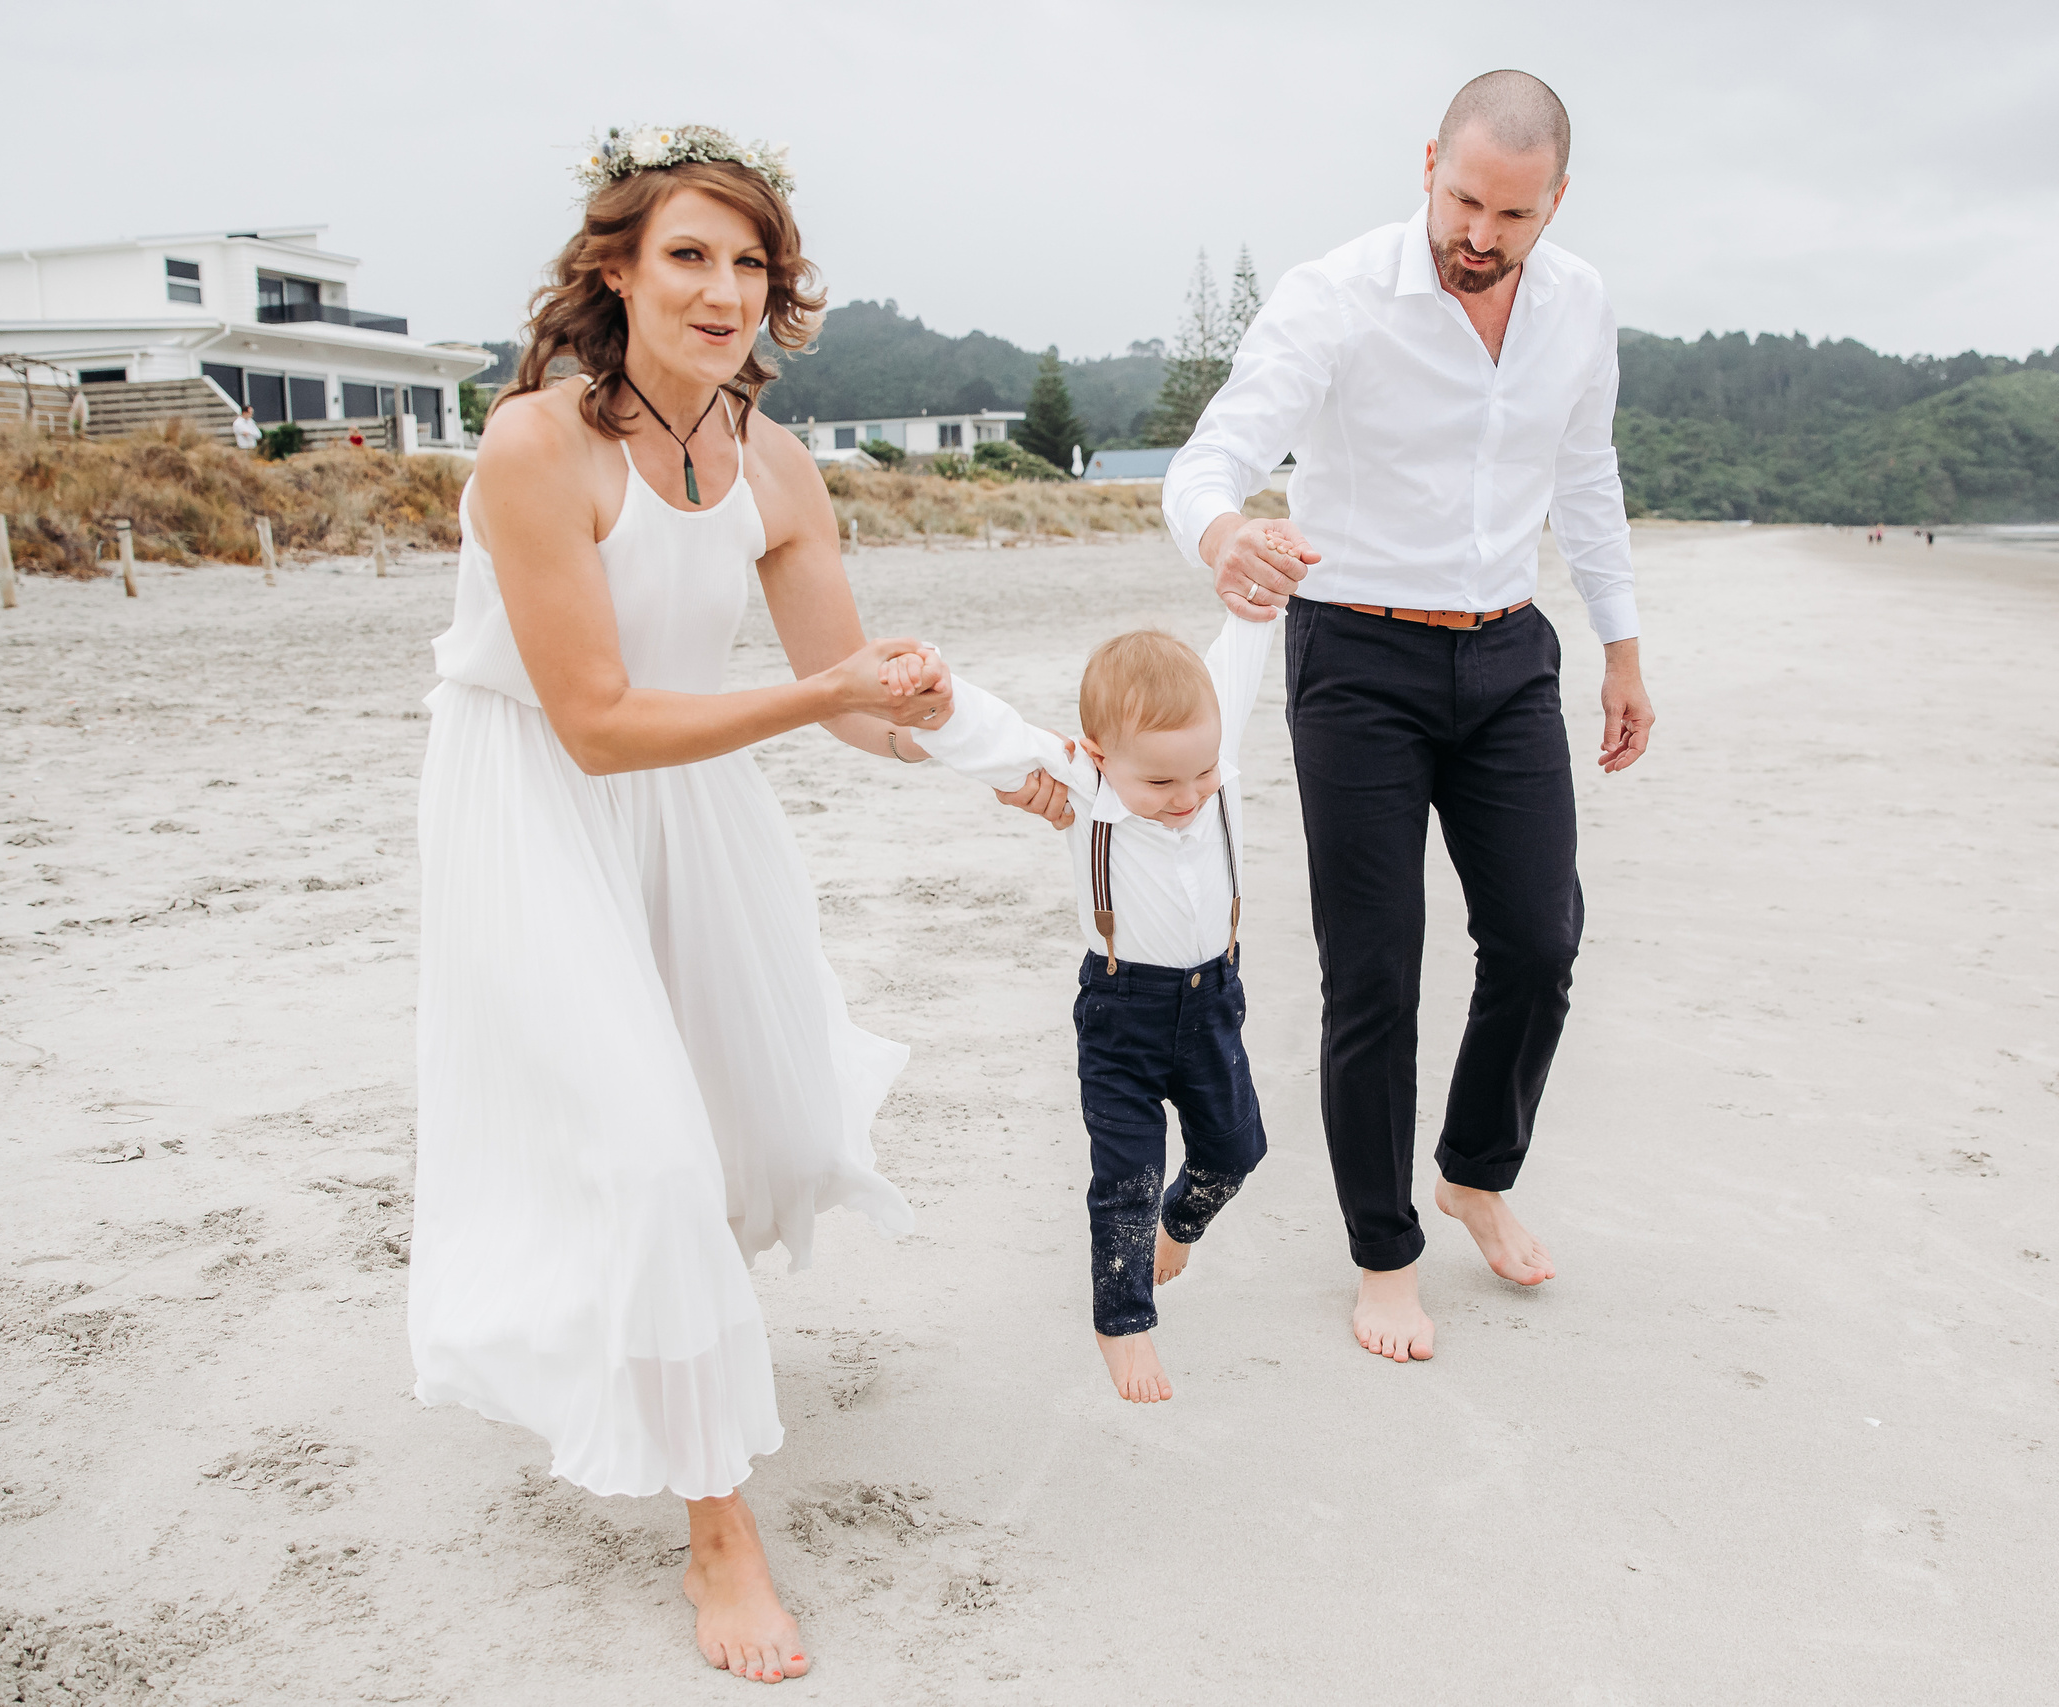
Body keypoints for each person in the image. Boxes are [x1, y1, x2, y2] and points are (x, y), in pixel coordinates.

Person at [410, 123, 952, 1687]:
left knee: (767, 1135)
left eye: (750, 263)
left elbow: (855, 702)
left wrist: (1005, 753)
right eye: (690, 257)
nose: (724, 289)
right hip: (535, 791)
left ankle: (663, 1312)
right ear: (618, 272)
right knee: (650, 1151)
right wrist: (824, 694)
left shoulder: (776, 464)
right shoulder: (535, 446)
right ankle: (720, 1523)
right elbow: (592, 716)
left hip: (693, 786)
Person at [1161, 70, 1655, 1363]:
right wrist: (1222, 532)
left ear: (1557, 203)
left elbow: (1588, 479)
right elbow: (1217, 454)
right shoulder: (1337, 295)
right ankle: (1386, 1248)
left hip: (1507, 656)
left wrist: (1624, 649)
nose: (1479, 235)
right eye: (1462, 199)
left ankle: (1476, 1169)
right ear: (1428, 161)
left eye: (1513, 214)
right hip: (1359, 659)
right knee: (1373, 968)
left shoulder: (1580, 307)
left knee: (1542, 941)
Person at [900, 604, 1281, 1403]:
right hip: (1122, 1012)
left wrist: (1258, 592)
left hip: (1214, 999)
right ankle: (1123, 1320)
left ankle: (1181, 1224)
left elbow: (1240, 654)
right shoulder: (1082, 777)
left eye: (1202, 774)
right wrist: (935, 691)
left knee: (1235, 1152)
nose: (1188, 796)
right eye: (1160, 780)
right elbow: (994, 733)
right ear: (1104, 758)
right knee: (1127, 1177)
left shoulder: (1212, 753)